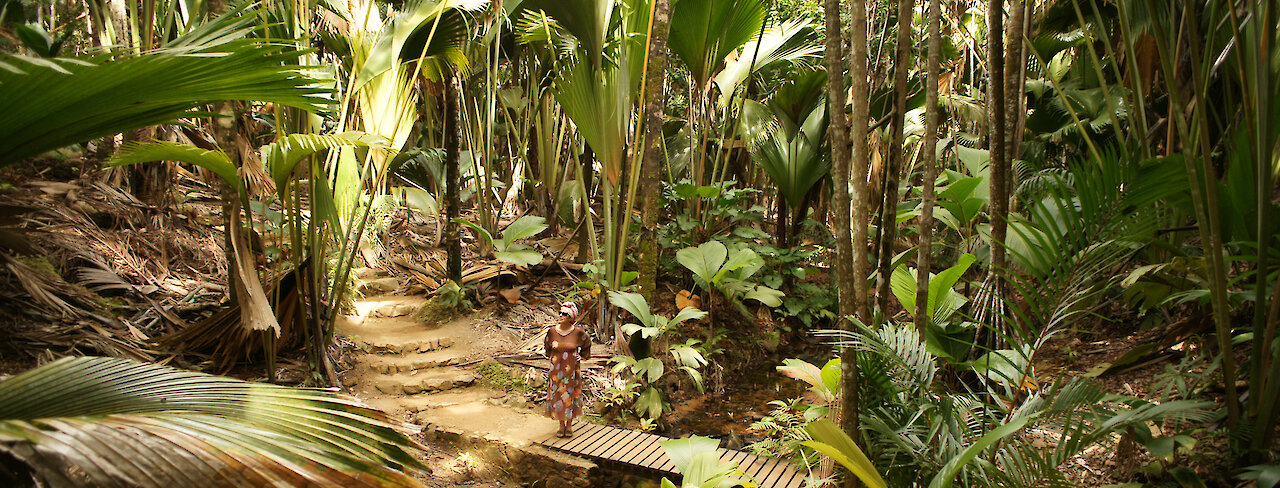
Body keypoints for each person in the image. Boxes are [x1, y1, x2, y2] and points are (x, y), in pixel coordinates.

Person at [544, 301, 591, 438]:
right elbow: (547, 346)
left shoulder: (577, 332)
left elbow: (587, 343)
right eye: (560, 313)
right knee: (558, 395)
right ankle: (561, 425)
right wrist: (552, 357)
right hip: (556, 370)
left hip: (571, 370)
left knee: (570, 394)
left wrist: (582, 356)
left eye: (564, 314)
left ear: (571, 317)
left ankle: (569, 425)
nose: (561, 315)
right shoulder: (552, 331)